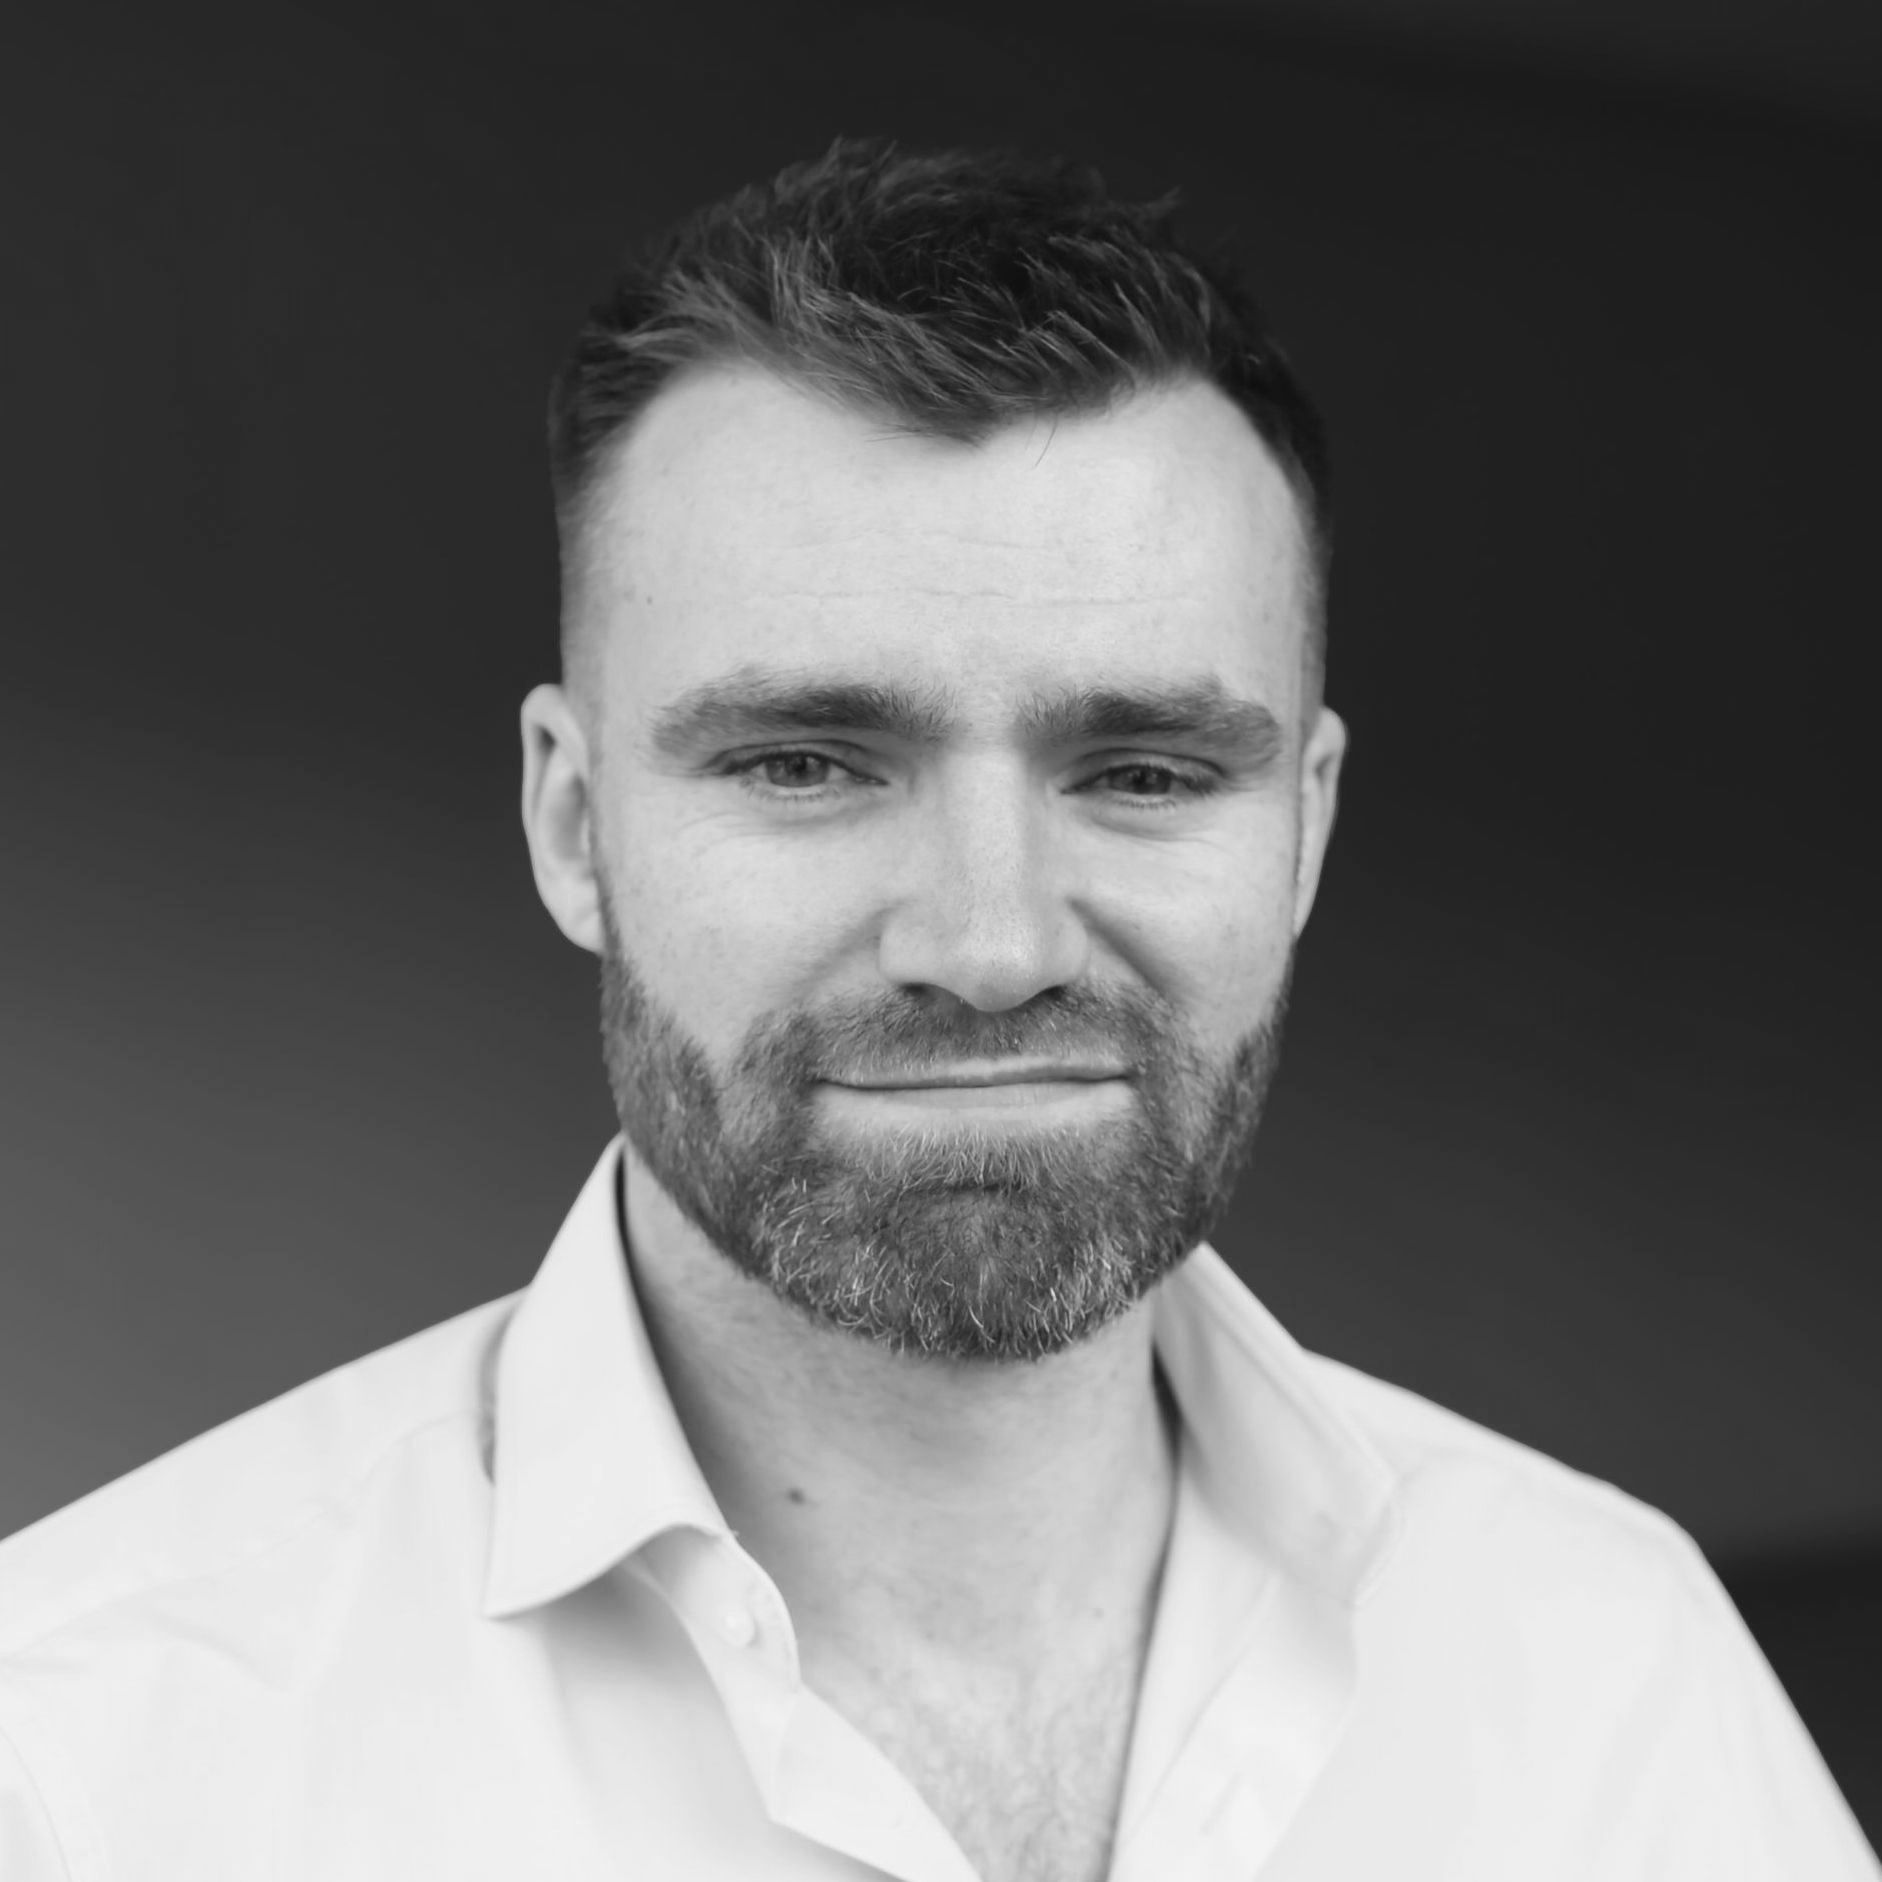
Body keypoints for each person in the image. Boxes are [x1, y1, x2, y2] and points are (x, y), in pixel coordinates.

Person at [0, 139, 1872, 1882]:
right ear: (575, 827)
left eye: (1142, 771)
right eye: (807, 761)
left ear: (1301, 831)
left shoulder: (1612, 1669)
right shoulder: (87, 1754)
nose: (991, 945)